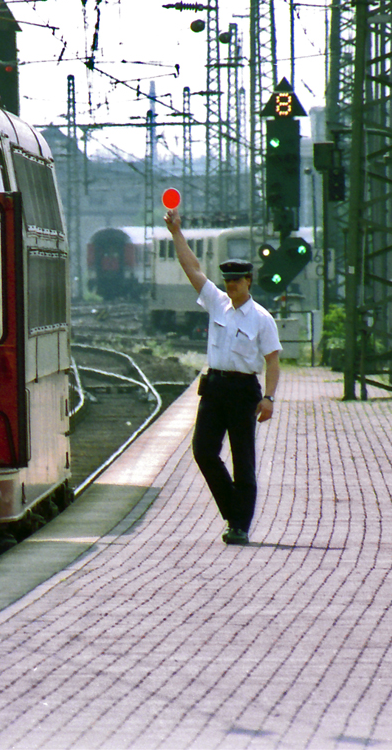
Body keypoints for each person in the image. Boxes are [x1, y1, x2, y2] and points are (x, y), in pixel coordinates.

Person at [163, 206, 281, 546]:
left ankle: (239, 525)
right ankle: (234, 509)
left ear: (249, 282)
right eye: (227, 280)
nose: (230, 285)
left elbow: (272, 362)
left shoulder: (262, 318)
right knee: (203, 451)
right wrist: (176, 233)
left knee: (243, 459)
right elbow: (192, 268)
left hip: (244, 390)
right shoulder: (216, 303)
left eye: (236, 280)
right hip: (214, 387)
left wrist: (269, 398)